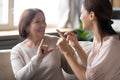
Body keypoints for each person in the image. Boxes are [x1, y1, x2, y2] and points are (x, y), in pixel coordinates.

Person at [56, 0, 120, 80]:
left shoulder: (111, 45)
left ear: (91, 15)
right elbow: (91, 68)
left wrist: (67, 52)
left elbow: (87, 78)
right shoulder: (98, 39)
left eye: (82, 13)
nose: (80, 17)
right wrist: (76, 45)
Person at [10, 8, 74, 80]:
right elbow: (20, 78)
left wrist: (69, 51)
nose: (43, 25)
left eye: (44, 21)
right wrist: (38, 58)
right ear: (26, 27)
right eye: (38, 22)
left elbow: (71, 70)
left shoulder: (56, 41)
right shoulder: (17, 51)